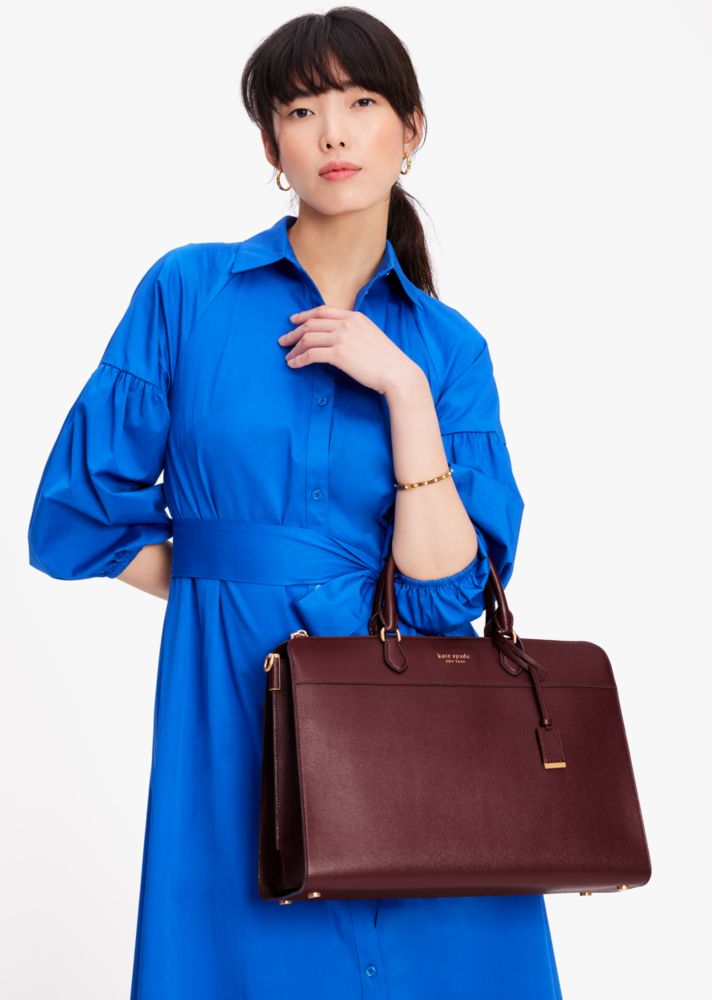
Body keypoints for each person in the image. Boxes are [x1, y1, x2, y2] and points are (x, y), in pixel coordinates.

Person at [27, 7, 562, 998]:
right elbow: (78, 513)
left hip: (414, 728)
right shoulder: (187, 291)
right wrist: (228, 581)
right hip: (230, 699)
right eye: (301, 109)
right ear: (271, 145)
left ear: (409, 129)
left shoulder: (447, 349)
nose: (332, 133)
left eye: (360, 103)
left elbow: (446, 597)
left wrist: (402, 389)